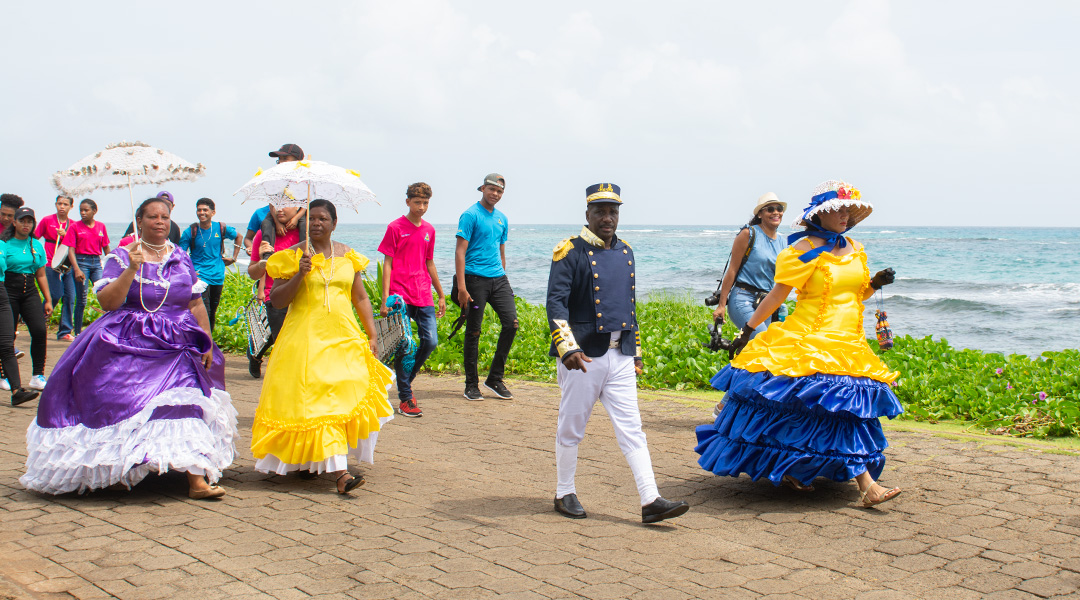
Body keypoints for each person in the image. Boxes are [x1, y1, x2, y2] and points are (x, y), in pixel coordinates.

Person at [695, 180, 902, 508]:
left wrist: (875, 282)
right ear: (820, 215)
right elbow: (778, 295)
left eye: (849, 210)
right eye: (839, 210)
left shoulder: (856, 249)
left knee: (847, 412)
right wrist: (748, 329)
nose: (845, 215)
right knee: (819, 411)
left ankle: (802, 469)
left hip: (850, 342)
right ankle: (866, 485)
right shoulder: (801, 250)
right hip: (811, 336)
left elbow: (856, 293)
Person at [20, 197, 236, 499]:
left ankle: (196, 479)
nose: (159, 222)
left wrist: (207, 339)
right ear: (140, 221)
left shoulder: (181, 257)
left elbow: (195, 302)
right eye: (152, 217)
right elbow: (108, 303)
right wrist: (131, 269)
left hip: (179, 343)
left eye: (164, 216)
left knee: (185, 402)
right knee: (124, 403)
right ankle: (121, 465)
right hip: (130, 339)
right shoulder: (123, 256)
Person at [547, 183, 690, 524]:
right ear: (587, 215)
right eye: (600, 211)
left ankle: (650, 499)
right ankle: (564, 492)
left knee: (633, 429)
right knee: (572, 427)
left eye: (613, 211)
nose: (608, 218)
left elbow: (629, 305)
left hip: (620, 355)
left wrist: (635, 351)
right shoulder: (569, 251)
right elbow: (555, 302)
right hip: (583, 357)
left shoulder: (626, 251)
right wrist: (566, 347)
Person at [250, 199, 393, 493]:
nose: (316, 223)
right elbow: (277, 300)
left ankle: (321, 459)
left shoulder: (348, 257)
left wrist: (372, 333)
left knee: (343, 393)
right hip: (304, 339)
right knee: (314, 400)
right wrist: (301, 273)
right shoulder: (290, 257)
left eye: (322, 219)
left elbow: (360, 298)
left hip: (343, 337)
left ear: (334, 223)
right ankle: (340, 474)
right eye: (312, 218)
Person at [708, 193, 789, 417]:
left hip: (771, 303)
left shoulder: (784, 241)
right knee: (761, 346)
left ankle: (752, 408)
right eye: (770, 209)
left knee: (778, 354)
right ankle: (725, 405)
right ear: (760, 214)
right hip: (743, 298)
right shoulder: (749, 234)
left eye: (778, 208)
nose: (775, 212)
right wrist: (721, 305)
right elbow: (732, 270)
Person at [378, 182, 446, 418]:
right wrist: (385, 297)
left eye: (425, 203)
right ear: (407, 202)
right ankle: (406, 397)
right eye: (417, 202)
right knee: (406, 345)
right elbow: (387, 263)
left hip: (423, 293)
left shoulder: (429, 230)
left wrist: (440, 293)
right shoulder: (395, 227)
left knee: (430, 342)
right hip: (399, 296)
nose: (422, 207)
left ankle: (406, 378)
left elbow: (429, 262)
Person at [454, 173, 517, 401]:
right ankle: (471, 385)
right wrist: (462, 286)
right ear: (482, 188)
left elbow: (501, 250)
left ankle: (494, 379)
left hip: (498, 279)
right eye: (492, 189)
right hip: (474, 279)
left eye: (500, 191)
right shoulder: (470, 215)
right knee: (474, 331)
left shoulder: (502, 219)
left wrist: (503, 274)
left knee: (511, 324)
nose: (495, 194)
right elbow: (460, 251)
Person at [246, 205, 302, 378]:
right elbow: (253, 272)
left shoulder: (307, 232)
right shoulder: (263, 235)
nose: (280, 209)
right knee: (283, 345)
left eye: (286, 204)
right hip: (275, 296)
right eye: (276, 204)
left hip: (302, 297)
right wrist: (262, 264)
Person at [1, 208, 53, 392]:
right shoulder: (4, 243)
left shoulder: (36, 244)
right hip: (8, 290)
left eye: (29, 221)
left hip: (29, 290)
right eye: (22, 221)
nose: (26, 225)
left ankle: (37, 375)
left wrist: (47, 299)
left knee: (39, 330)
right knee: (8, 335)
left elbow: (41, 274)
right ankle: (4, 375)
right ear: (14, 222)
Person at [179, 198, 241, 331]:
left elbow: (239, 236)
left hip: (218, 275)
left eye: (205, 210)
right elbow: (181, 255)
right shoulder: (190, 232)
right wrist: (189, 272)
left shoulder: (221, 228)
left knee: (212, 311)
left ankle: (210, 341)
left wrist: (234, 258)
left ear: (213, 212)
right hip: (200, 277)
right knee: (204, 311)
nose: (201, 212)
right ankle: (203, 342)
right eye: (199, 210)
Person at [242, 144, 307, 257]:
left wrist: (296, 218)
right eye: (279, 160)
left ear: (297, 161)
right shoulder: (275, 178)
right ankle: (267, 254)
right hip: (276, 211)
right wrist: (276, 222)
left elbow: (306, 204)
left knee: (305, 225)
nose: (281, 162)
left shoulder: (302, 180)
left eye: (285, 159)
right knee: (267, 223)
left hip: (299, 212)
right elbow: (272, 202)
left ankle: (304, 252)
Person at [65, 199, 110, 337]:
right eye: (81, 210)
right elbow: (70, 250)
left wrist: (114, 264)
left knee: (105, 293)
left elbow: (106, 248)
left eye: (86, 210)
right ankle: (78, 332)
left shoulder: (101, 227)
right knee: (82, 299)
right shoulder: (74, 227)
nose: (83, 213)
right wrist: (76, 269)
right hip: (81, 262)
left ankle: (108, 328)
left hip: (96, 263)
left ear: (94, 211)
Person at [34, 195, 77, 342]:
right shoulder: (47, 220)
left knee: (70, 297)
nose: (62, 206)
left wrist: (66, 236)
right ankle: (38, 322)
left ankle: (64, 331)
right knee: (54, 295)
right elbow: (35, 238)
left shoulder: (73, 225)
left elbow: (76, 245)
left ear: (71, 206)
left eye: (65, 204)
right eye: (59, 203)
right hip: (50, 264)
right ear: (55, 204)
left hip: (67, 265)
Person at [1, 194, 27, 359]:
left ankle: (9, 347)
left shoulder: (19, 231)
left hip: (11, 280)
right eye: (2, 213)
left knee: (10, 316)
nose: (5, 218)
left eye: (10, 216)